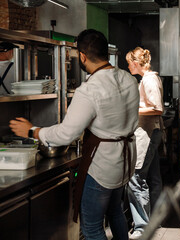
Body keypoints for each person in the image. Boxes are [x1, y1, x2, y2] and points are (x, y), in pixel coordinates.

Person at [9, 29, 140, 240]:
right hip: (124, 161)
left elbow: (65, 134)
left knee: (91, 227)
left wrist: (33, 131)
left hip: (103, 166)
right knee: (116, 212)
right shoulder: (128, 79)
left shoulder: (90, 89)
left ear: (82, 55)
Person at [126, 47, 164, 240]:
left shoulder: (149, 79)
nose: (128, 66)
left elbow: (157, 109)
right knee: (153, 178)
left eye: (128, 62)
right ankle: (152, 221)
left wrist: (133, 110)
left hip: (147, 134)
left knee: (135, 179)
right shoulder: (146, 79)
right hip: (149, 133)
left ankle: (142, 227)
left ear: (136, 62)